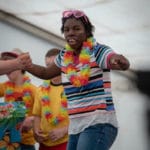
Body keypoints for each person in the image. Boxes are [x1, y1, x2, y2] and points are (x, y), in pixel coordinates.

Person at [21, 10, 130, 150]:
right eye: (66, 30)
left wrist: (120, 61)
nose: (70, 33)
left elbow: (112, 58)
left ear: (87, 32)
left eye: (76, 29)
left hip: (98, 122)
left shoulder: (98, 51)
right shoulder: (64, 57)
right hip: (75, 127)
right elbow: (45, 72)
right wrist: (28, 65)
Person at [0, 49, 37, 150]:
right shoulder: (5, 87)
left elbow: (43, 112)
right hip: (7, 141)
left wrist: (32, 120)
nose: (7, 71)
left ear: (20, 66)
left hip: (26, 143)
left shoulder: (33, 90)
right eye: (6, 67)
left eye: (10, 66)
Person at [33, 48, 69, 150]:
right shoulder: (41, 89)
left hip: (66, 143)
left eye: (54, 65)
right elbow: (37, 114)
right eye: (48, 66)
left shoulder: (72, 89)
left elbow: (82, 119)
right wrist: (35, 130)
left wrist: (64, 130)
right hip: (44, 144)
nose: (50, 69)